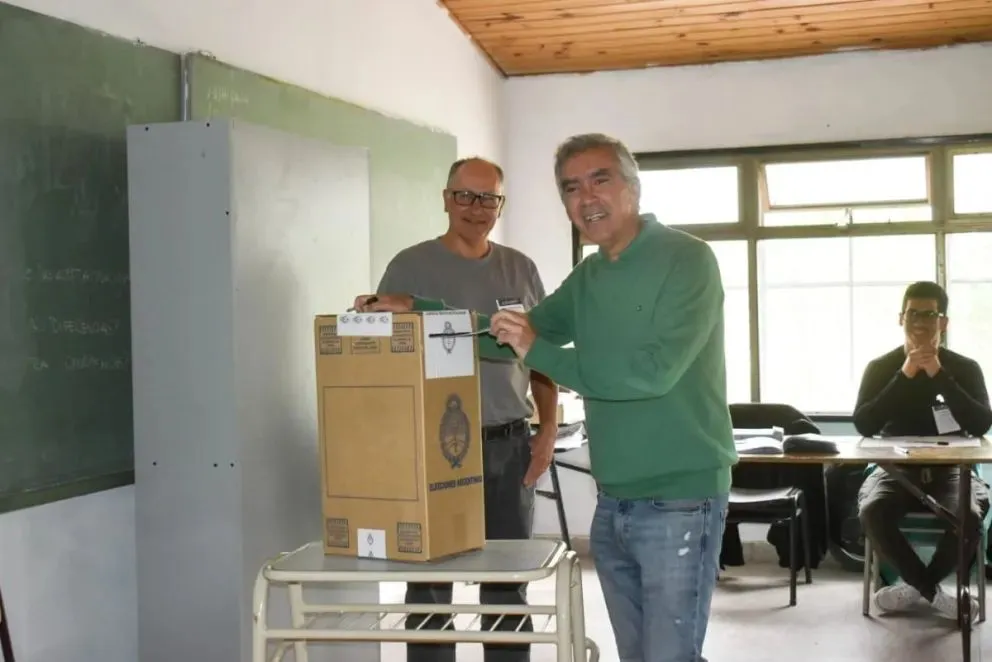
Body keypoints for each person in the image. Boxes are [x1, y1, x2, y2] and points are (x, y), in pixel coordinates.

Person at [357, 134, 737, 662]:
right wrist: (414, 308)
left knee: (669, 655)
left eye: (599, 179)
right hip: (615, 498)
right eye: (571, 187)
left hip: (680, 496)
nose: (586, 197)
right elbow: (508, 334)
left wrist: (540, 371)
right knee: (638, 653)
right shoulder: (590, 276)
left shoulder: (687, 259)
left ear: (632, 186)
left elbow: (650, 374)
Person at [369, 156, 558, 662]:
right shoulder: (410, 267)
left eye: (487, 198)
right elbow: (386, 361)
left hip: (508, 444)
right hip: (432, 450)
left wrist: (546, 433)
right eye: (465, 196)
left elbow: (541, 357)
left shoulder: (520, 268)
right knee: (430, 589)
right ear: (446, 198)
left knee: (507, 586)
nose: (475, 208)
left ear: (501, 205)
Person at [854, 280, 992, 620]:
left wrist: (937, 373)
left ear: (942, 322)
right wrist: (906, 373)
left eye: (929, 313)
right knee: (872, 510)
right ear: (901, 318)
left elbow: (980, 423)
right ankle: (933, 593)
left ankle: (916, 588)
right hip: (894, 471)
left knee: (970, 517)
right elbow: (864, 424)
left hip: (951, 470)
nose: (920, 320)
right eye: (913, 312)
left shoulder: (965, 367)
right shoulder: (880, 367)